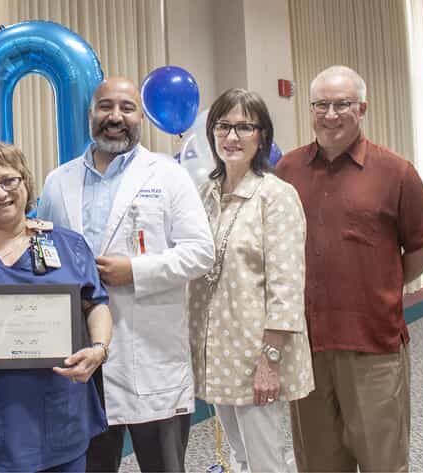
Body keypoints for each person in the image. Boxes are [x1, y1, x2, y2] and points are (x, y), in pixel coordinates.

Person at [38, 77, 215, 472]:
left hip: (151, 354)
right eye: (105, 106)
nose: (115, 116)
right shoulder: (58, 181)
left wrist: (134, 271)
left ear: (141, 117)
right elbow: (45, 256)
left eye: (127, 107)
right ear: (91, 114)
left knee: (163, 466)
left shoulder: (168, 176)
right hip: (82, 356)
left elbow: (201, 252)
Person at [276, 65, 423, 472]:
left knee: (381, 460)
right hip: (307, 347)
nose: (331, 114)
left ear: (362, 108)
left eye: (343, 104)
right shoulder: (286, 172)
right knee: (317, 461)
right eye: (322, 104)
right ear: (310, 108)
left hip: (373, 346)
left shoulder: (395, 172)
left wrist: (383, 282)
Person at [0, 142, 113, 472]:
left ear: (25, 183)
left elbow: (96, 304)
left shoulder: (66, 244)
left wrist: (99, 349)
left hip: (61, 412)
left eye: (10, 181)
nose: (0, 193)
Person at [186, 88, 314, 472]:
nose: (232, 137)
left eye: (244, 127)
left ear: (262, 136)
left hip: (257, 354)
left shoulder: (276, 196)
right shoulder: (205, 194)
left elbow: (286, 285)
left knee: (265, 462)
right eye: (223, 126)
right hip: (215, 352)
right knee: (241, 458)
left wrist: (269, 361)